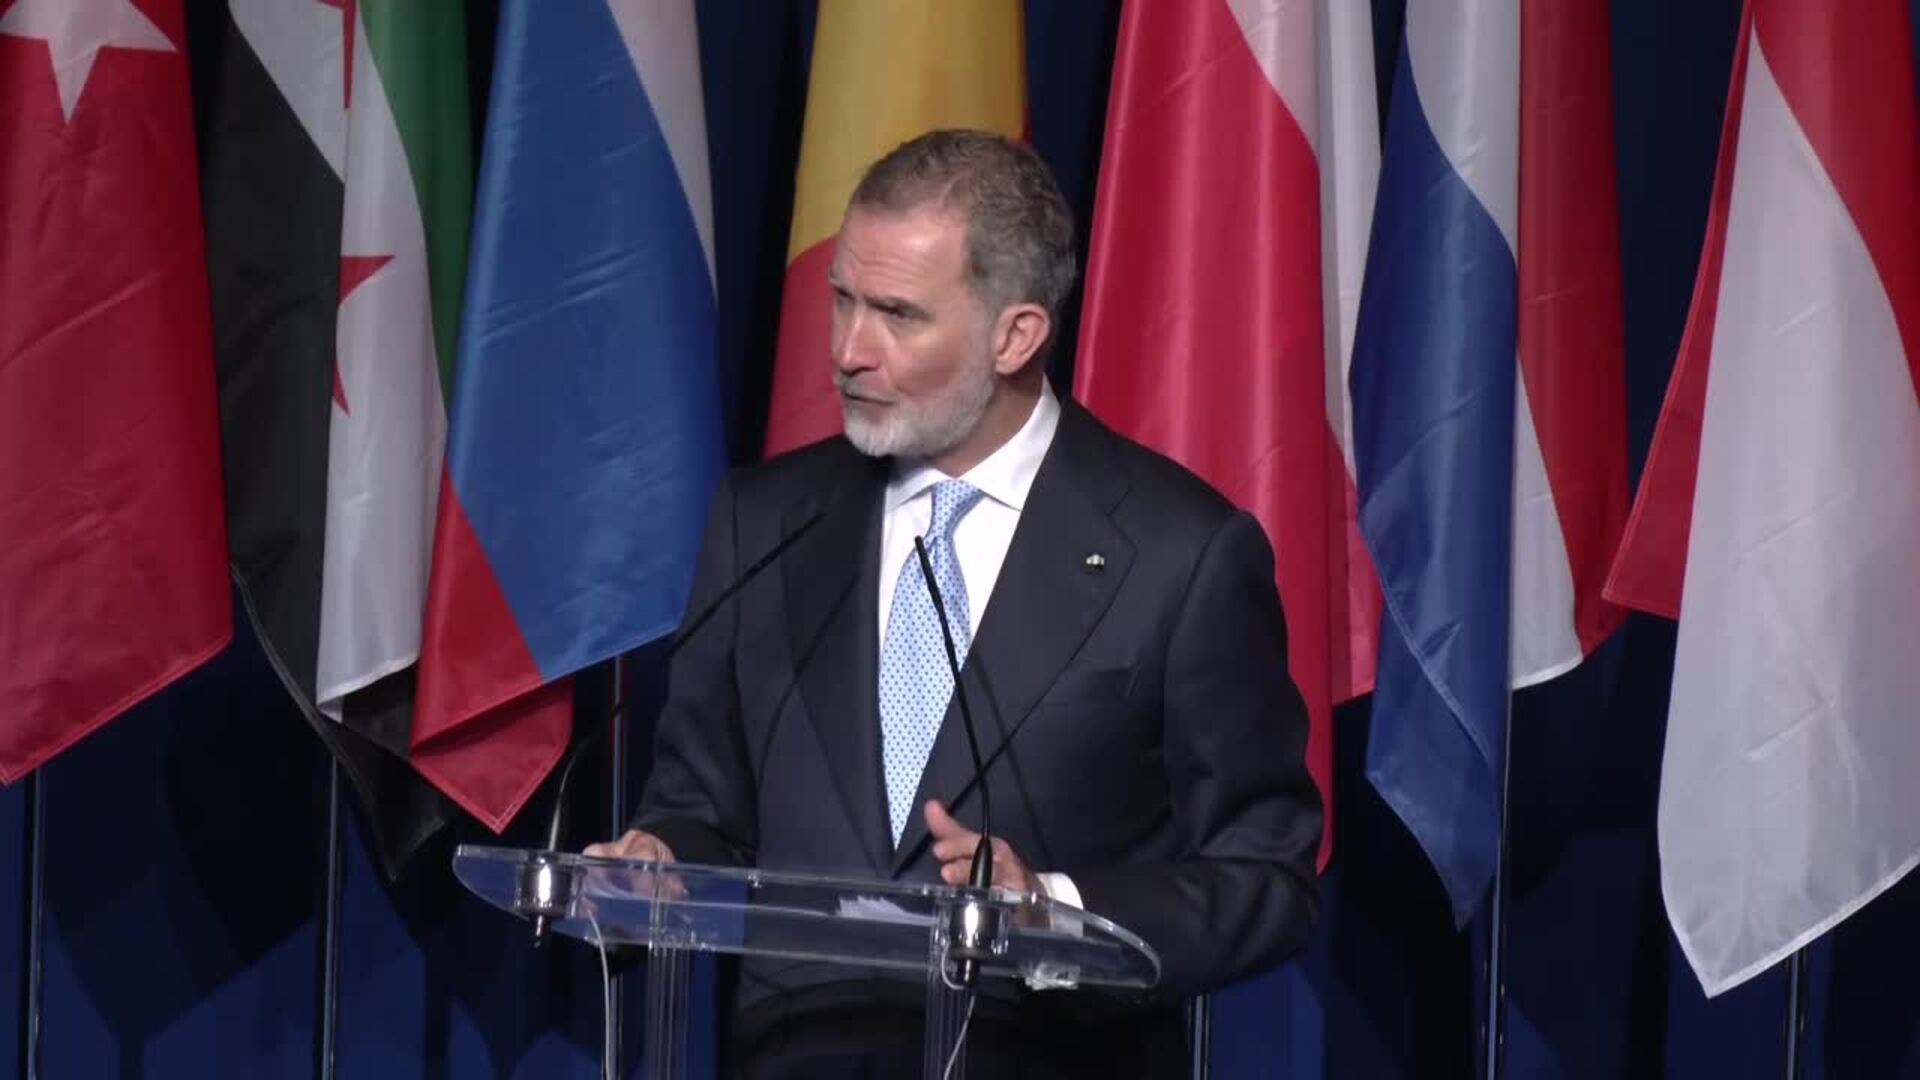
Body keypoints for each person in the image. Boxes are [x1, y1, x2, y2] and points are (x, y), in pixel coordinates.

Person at [588, 129, 1321, 1078]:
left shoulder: (1183, 556)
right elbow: (702, 809)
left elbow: (1265, 878)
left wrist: (1054, 910)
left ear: (1016, 335)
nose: (849, 350)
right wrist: (659, 858)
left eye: (897, 314)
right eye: (843, 299)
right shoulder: (761, 523)